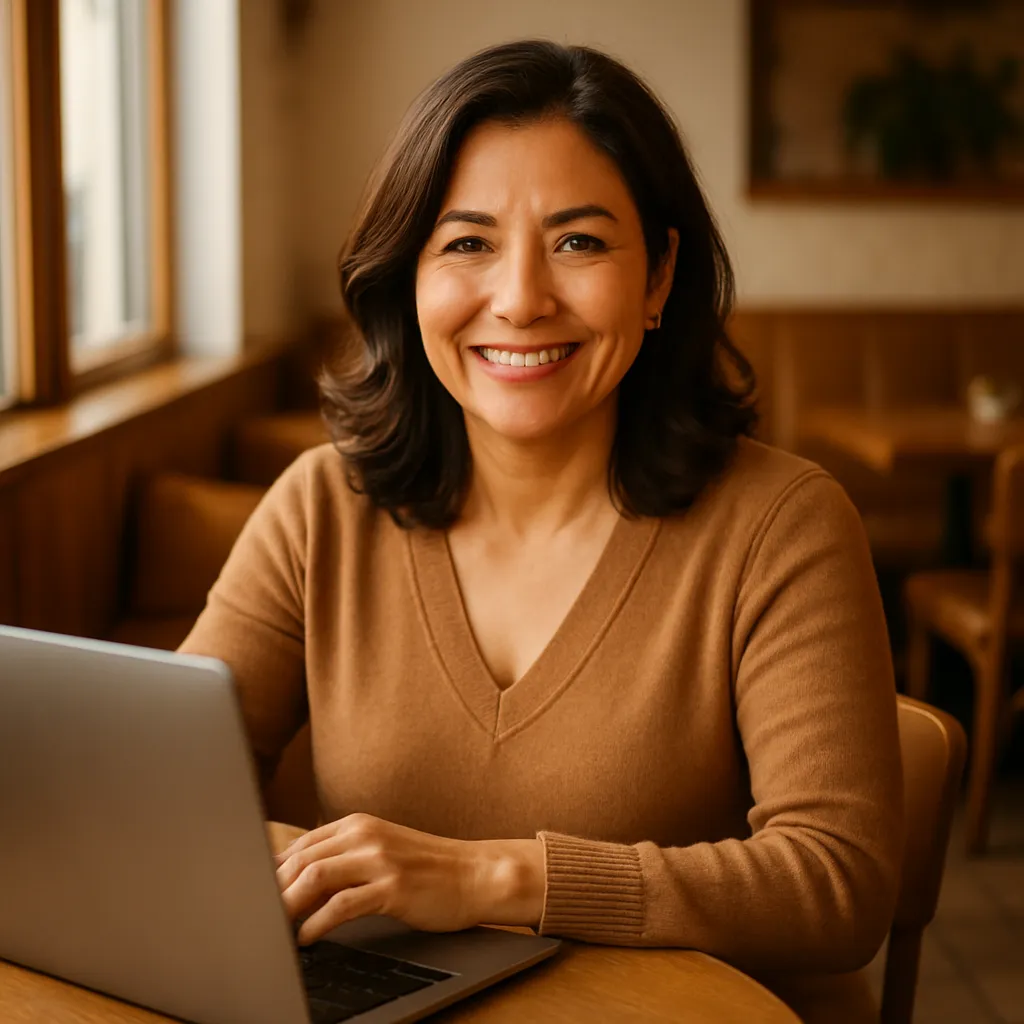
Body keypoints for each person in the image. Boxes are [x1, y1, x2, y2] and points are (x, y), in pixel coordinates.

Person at [179, 39, 903, 1022]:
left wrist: (492, 879)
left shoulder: (783, 524)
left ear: (657, 277)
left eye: (578, 241)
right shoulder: (321, 507)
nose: (519, 298)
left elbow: (837, 887)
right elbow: (171, 792)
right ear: (408, 279)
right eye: (467, 242)